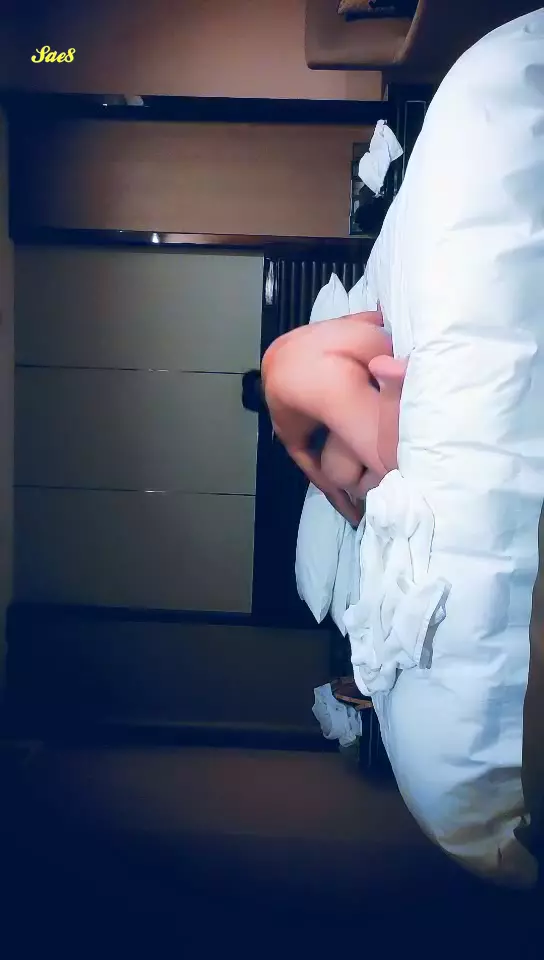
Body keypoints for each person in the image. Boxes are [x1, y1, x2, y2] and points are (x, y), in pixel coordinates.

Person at [242, 309, 407, 528]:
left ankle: (390, 390)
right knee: (345, 463)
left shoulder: (280, 422)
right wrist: (376, 316)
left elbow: (328, 487)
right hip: (373, 341)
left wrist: (354, 520)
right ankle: (386, 379)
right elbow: (348, 321)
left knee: (392, 468)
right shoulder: (277, 347)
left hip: (338, 382)